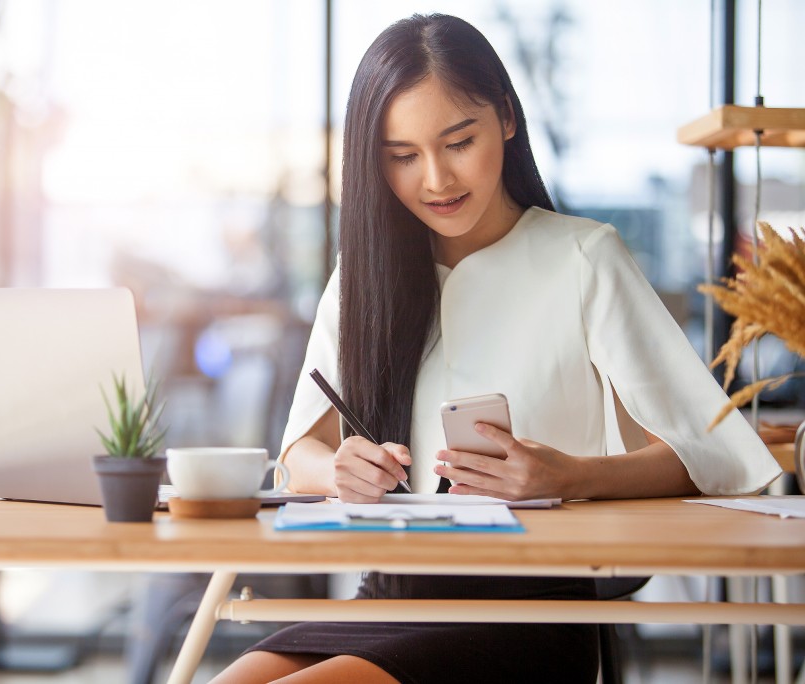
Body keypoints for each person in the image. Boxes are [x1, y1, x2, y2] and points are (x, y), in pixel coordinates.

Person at [210, 13, 781, 684]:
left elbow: (711, 458)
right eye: (401, 155)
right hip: (389, 599)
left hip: (530, 611)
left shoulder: (584, 258)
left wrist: (571, 478)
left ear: (506, 118)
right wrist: (340, 470)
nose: (435, 179)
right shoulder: (365, 275)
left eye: (459, 141)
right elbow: (298, 456)